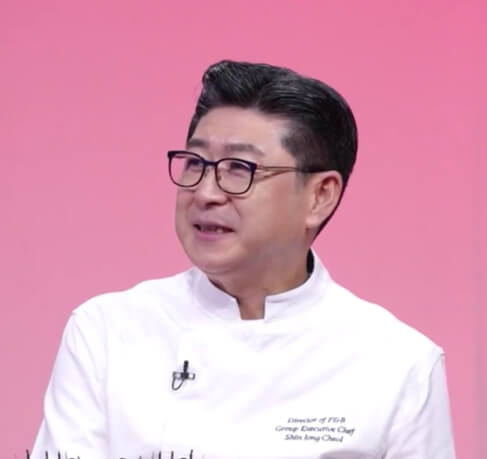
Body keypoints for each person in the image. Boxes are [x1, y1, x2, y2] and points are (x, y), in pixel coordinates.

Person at [31, 60, 456, 459]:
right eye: (195, 163)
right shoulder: (106, 332)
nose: (205, 192)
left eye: (239, 168)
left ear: (320, 196)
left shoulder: (399, 364)